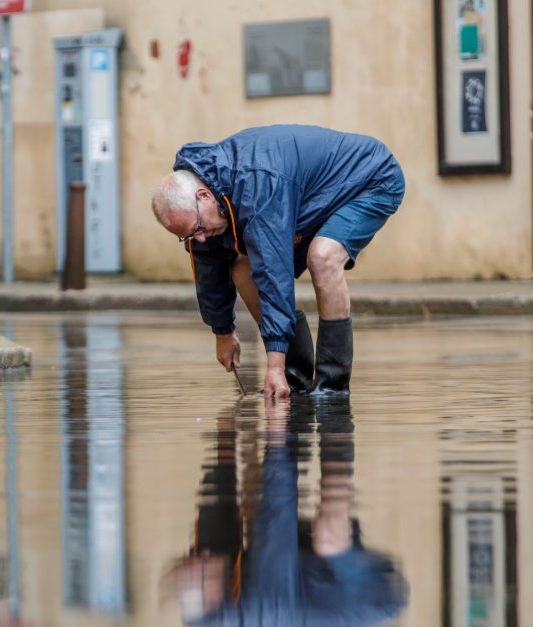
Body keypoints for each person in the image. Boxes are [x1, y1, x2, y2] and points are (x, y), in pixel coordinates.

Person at [151, 125, 406, 397]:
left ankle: (332, 385)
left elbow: (274, 275)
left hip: (371, 179)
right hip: (312, 196)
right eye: (189, 236)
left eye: (198, 229)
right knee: (242, 271)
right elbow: (209, 269)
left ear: (203, 197)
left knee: (322, 256)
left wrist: (273, 366)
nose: (199, 238)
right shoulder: (203, 205)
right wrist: (222, 331)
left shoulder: (257, 186)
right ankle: (294, 377)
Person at [161, 397, 410, 626]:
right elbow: (277, 507)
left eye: (191, 555)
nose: (201, 552)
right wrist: (277, 418)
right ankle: (335, 415)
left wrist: (228, 433)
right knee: (327, 538)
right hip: (374, 591)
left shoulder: (204, 600)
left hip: (305, 577)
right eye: (199, 559)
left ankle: (291, 411)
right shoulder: (263, 604)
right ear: (213, 593)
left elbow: (216, 505)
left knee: (252, 517)